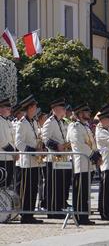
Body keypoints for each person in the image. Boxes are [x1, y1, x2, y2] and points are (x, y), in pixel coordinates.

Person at [67, 103, 101, 225]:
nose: (89, 113)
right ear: (80, 114)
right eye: (86, 112)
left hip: (88, 163)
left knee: (86, 192)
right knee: (80, 191)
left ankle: (84, 215)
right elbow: (79, 144)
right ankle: (79, 216)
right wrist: (94, 155)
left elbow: (92, 142)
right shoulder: (74, 127)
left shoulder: (85, 126)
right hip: (80, 163)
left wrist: (97, 154)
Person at [15, 95, 43, 224]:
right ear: (30, 108)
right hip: (26, 162)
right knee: (26, 190)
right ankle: (25, 215)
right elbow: (19, 143)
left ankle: (30, 213)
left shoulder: (34, 122)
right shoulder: (22, 123)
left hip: (35, 162)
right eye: (35, 106)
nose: (36, 109)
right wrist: (33, 152)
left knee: (33, 189)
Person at [42, 98, 70, 218]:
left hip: (62, 158)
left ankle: (59, 207)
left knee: (60, 184)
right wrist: (57, 146)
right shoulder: (50, 122)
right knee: (53, 185)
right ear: (54, 109)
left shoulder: (62, 122)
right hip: (53, 158)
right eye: (62, 108)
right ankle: (52, 210)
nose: (64, 110)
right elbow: (46, 139)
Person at [0, 98, 16, 188]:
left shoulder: (8, 121)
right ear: (0, 109)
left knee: (7, 184)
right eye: (7, 108)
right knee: (2, 183)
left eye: (9, 108)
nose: (9, 110)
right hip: (2, 158)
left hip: (9, 157)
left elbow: (13, 139)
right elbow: (1, 140)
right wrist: (13, 152)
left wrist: (15, 151)